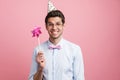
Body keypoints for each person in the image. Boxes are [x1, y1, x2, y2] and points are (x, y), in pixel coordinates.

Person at [28, 10, 85, 80]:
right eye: (50, 24)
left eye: (58, 24)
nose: (54, 28)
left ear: (63, 25)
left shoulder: (75, 50)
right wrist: (40, 69)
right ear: (46, 26)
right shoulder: (38, 50)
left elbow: (79, 78)